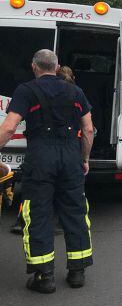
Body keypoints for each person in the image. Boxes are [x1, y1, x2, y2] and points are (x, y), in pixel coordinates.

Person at [0, 49, 95, 293]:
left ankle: (45, 277)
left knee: (38, 214)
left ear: (34, 67)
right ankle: (77, 272)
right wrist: (84, 158)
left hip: (41, 158)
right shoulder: (76, 92)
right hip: (70, 157)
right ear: (57, 66)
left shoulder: (26, 90)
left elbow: (9, 128)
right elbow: (88, 130)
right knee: (75, 212)